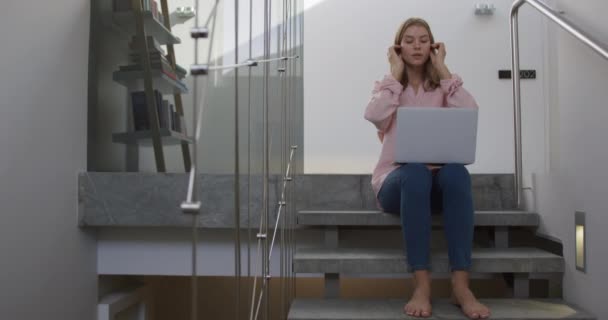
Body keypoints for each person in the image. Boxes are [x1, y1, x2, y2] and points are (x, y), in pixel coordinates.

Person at [363, 17, 491, 319]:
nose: (417, 45)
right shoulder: (388, 87)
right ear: (398, 47)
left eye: (423, 40)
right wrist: (395, 74)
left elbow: (470, 113)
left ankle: (462, 287)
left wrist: (444, 70)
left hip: (436, 185)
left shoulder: (445, 88)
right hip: (398, 184)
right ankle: (421, 285)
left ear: (433, 46)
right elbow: (374, 115)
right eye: (409, 40)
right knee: (415, 171)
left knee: (457, 172)